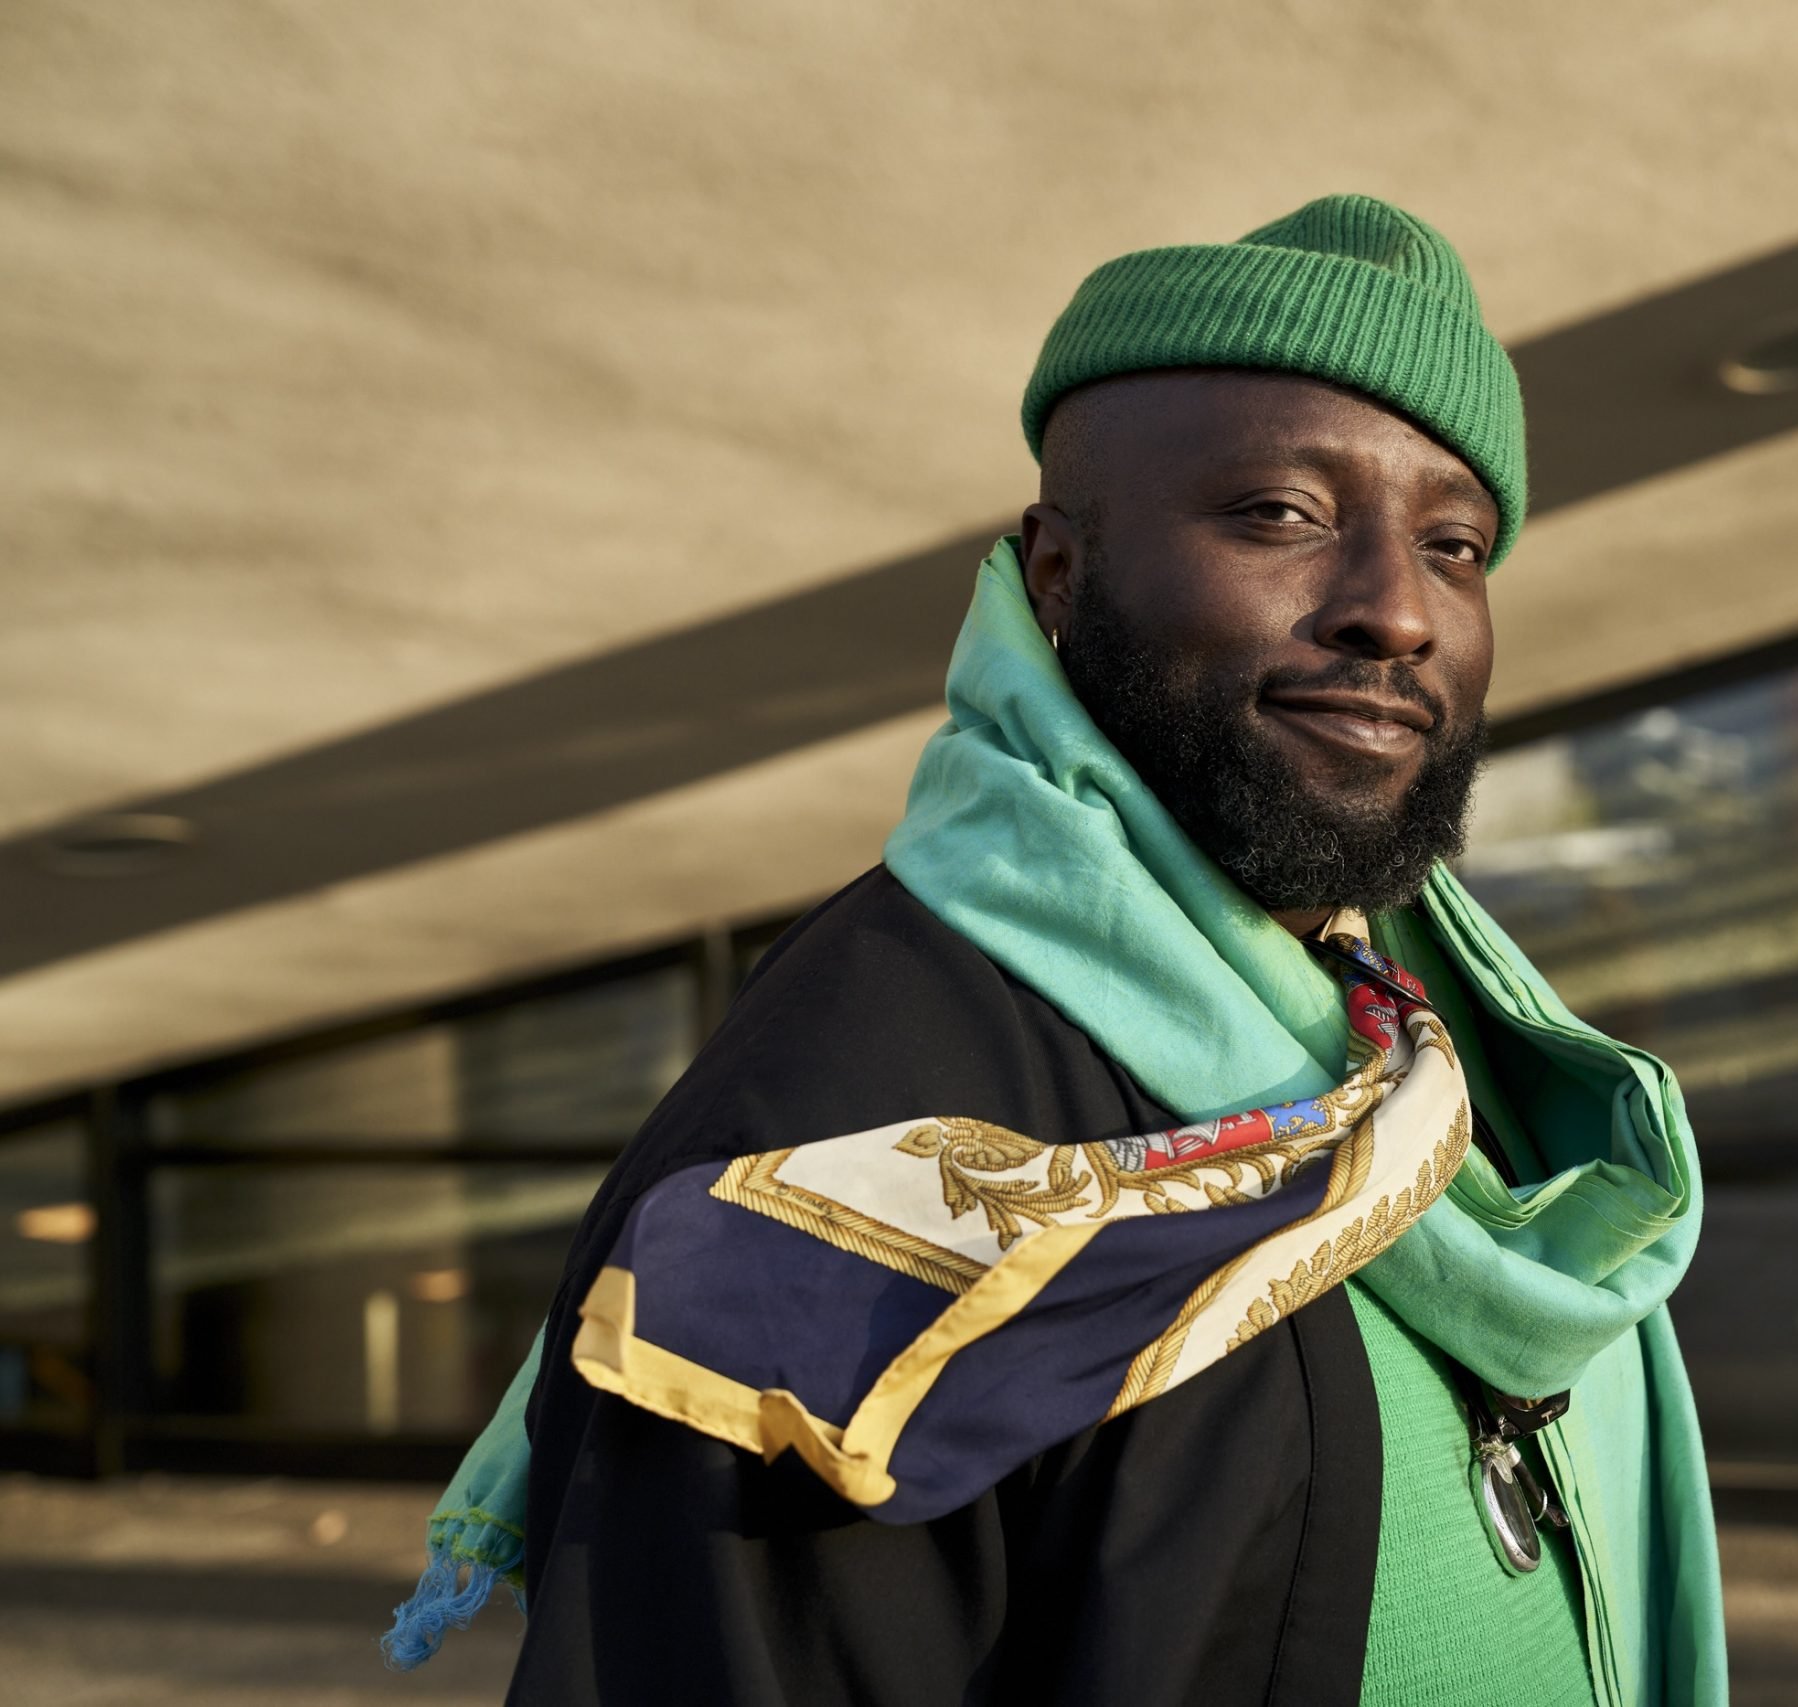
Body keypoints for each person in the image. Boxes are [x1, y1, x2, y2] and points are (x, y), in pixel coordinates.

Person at [388, 192, 1724, 1706]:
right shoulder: (859, 1117)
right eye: (1280, 515)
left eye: (1457, 543)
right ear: (1058, 576)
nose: (1395, 612)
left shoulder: (1454, 1066)